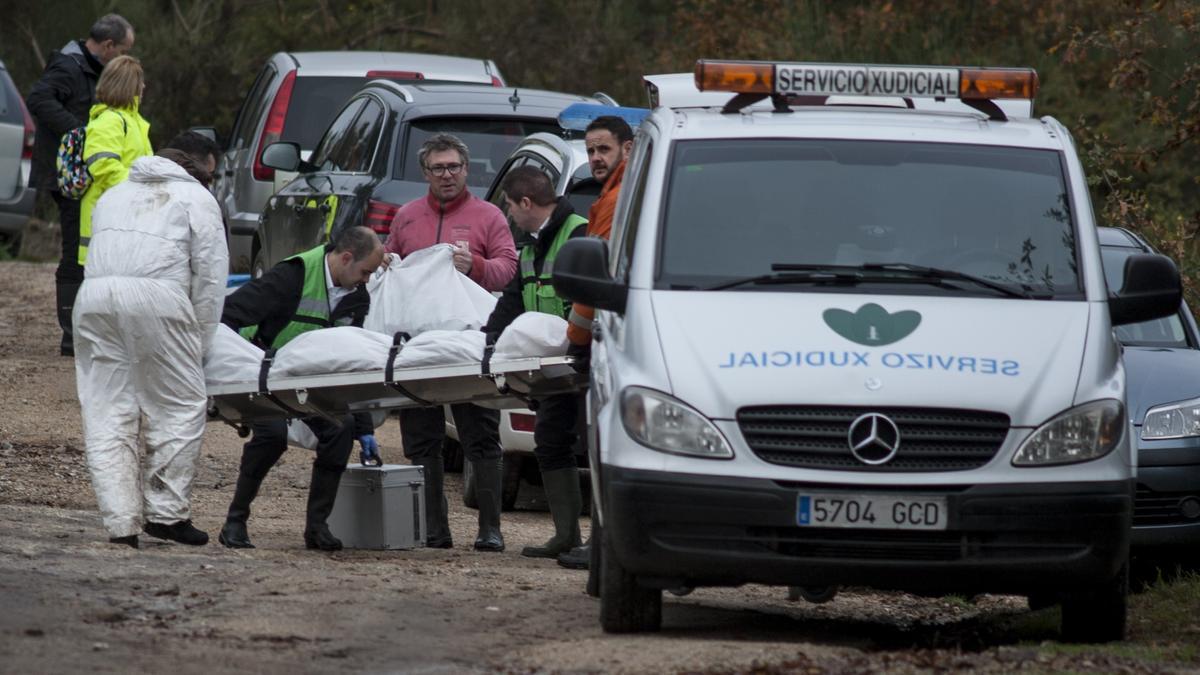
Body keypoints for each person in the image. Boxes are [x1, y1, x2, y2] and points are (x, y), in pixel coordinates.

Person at [73, 142, 228, 549]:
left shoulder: (113, 194)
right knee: (179, 404)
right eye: (210, 175)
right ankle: (166, 512)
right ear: (196, 170)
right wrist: (201, 344)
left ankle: (121, 522)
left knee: (107, 410)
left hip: (93, 298)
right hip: (158, 297)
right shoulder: (197, 197)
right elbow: (210, 278)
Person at [385, 133, 517, 551]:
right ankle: (434, 529)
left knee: (480, 434)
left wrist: (474, 264)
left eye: (454, 167)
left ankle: (489, 529)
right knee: (422, 439)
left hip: (468, 345)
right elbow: (388, 264)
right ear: (425, 172)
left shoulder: (488, 216)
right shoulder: (406, 217)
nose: (447, 175)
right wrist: (386, 262)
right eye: (438, 168)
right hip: (418, 346)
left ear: (466, 170)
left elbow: (508, 271)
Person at [217, 226, 384, 551]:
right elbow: (228, 316)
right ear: (346, 258)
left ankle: (317, 528)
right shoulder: (291, 276)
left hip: (309, 382)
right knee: (272, 435)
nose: (367, 280)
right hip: (263, 375)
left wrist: (364, 426)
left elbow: (352, 360)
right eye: (365, 272)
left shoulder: (357, 296)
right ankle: (234, 521)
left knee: (342, 429)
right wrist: (240, 370)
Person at [482, 166, 588, 559]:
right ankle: (566, 535)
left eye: (510, 206)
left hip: (585, 361)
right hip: (554, 367)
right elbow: (512, 301)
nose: (509, 214)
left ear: (526, 203)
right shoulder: (529, 247)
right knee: (550, 441)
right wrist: (487, 344)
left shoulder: (580, 234)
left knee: (592, 448)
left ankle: (595, 539)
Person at [25, 13, 135, 357]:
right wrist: (80, 132)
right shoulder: (69, 67)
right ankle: (70, 334)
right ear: (108, 45)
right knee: (75, 250)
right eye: (123, 51)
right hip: (69, 177)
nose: (122, 58)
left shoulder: (86, 68)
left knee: (86, 249)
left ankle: (85, 328)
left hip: (83, 174)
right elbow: (39, 99)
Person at [557, 115, 634, 571]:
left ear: (627, 148)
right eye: (590, 150)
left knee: (602, 445)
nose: (595, 158)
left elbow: (591, 279)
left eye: (603, 149)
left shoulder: (615, 200)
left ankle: (601, 544)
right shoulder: (615, 193)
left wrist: (575, 339)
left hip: (610, 334)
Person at [78, 54, 154, 268]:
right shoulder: (109, 121)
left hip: (125, 216)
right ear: (128, 86)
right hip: (108, 218)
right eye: (139, 82)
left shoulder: (134, 122)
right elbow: (103, 167)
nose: (144, 86)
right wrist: (140, 189)